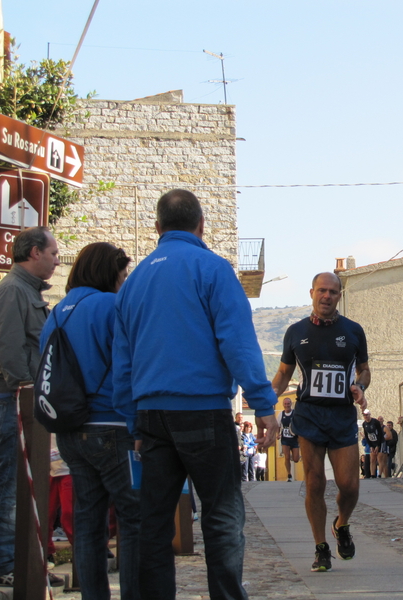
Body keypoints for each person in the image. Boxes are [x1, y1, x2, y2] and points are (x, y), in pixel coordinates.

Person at [113, 189, 278, 599]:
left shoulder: (133, 283)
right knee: (221, 517)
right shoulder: (213, 269)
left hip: (151, 415)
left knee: (154, 524)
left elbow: (123, 362)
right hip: (202, 410)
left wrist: (132, 420)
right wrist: (263, 404)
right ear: (201, 225)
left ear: (157, 228)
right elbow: (237, 343)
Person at [40, 242, 140, 599]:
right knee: (133, 518)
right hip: (111, 425)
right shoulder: (111, 306)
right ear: (109, 272)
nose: (124, 281)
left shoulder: (56, 312)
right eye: (122, 273)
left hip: (70, 430)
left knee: (88, 520)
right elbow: (128, 365)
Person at [272, 272, 370, 572]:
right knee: (315, 482)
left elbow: (364, 370)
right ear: (311, 293)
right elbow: (284, 375)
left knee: (350, 486)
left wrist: (360, 386)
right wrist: (264, 403)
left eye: (333, 292)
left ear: (339, 296)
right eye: (321, 291)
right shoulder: (295, 332)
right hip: (309, 416)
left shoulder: (353, 331)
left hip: (341, 417)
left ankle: (341, 525)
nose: (326, 296)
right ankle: (321, 548)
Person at [0, 226, 62, 587]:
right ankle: (4, 562)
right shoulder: (13, 291)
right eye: (53, 253)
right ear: (34, 253)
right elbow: (10, 352)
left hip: (26, 399)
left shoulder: (25, 291)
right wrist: (30, 390)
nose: (56, 260)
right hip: (16, 399)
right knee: (11, 483)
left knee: (25, 484)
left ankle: (24, 563)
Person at [279, 398, 301, 481]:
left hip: (294, 438)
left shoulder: (295, 414)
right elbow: (278, 426)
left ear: (291, 404)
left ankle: (293, 454)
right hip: (285, 439)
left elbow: (299, 424)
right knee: (287, 457)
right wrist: (278, 434)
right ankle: (289, 475)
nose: (287, 405)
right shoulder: (281, 414)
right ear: (283, 405)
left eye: (288, 403)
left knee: (296, 459)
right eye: (285, 404)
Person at [362, 411, 383, 478]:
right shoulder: (364, 424)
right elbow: (366, 435)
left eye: (367, 415)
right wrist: (371, 446)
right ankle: (373, 475)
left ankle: (379, 474)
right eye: (364, 415)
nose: (366, 417)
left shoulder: (375, 422)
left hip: (379, 441)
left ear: (369, 415)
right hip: (372, 442)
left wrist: (378, 445)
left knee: (379, 459)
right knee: (372, 459)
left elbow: (380, 433)